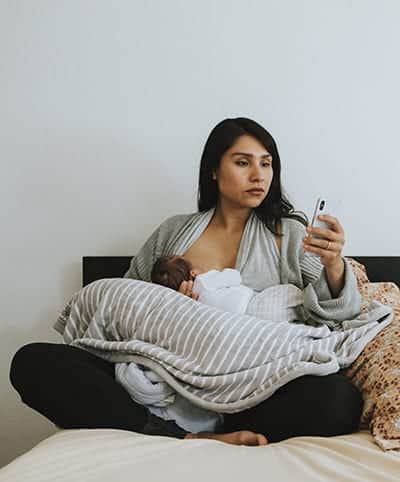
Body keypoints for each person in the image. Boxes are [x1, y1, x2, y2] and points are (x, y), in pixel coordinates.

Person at [10, 117, 363, 447]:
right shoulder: (173, 232)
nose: (259, 174)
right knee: (32, 361)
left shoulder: (288, 234)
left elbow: (340, 314)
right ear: (213, 170)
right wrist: (176, 308)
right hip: (163, 382)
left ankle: (220, 428)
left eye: (266, 163)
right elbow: (128, 306)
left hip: (252, 387)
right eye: (243, 162)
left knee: (338, 400)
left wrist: (333, 263)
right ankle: (178, 435)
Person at [150, 254, 305, 319]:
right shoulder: (203, 280)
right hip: (253, 303)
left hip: (243, 322)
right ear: (192, 272)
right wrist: (213, 272)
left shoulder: (191, 304)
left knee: (286, 318)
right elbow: (235, 276)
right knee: (290, 293)